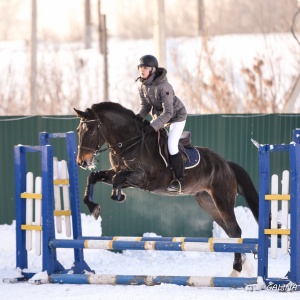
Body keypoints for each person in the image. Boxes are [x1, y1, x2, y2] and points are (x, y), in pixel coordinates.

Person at [135, 54, 187, 193]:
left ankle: (179, 180)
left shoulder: (164, 86)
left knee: (171, 144)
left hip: (177, 116)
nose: (142, 70)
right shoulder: (142, 85)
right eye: (140, 67)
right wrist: (135, 120)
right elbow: (145, 107)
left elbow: (169, 113)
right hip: (161, 116)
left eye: (145, 68)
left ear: (152, 70)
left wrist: (153, 126)